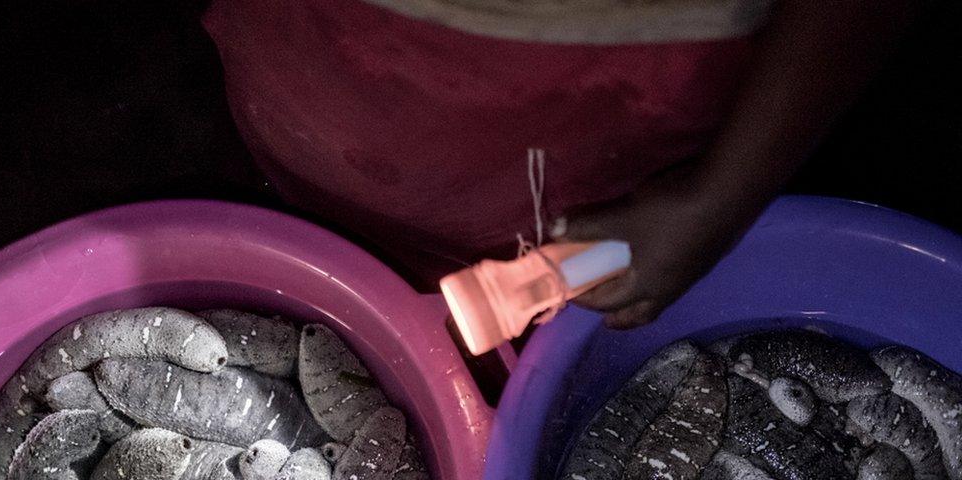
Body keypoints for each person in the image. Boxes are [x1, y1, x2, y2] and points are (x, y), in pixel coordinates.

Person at [203, 0, 919, 328]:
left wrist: (713, 201)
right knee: (320, 172)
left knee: (567, 232)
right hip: (310, 46)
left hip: (610, 91)